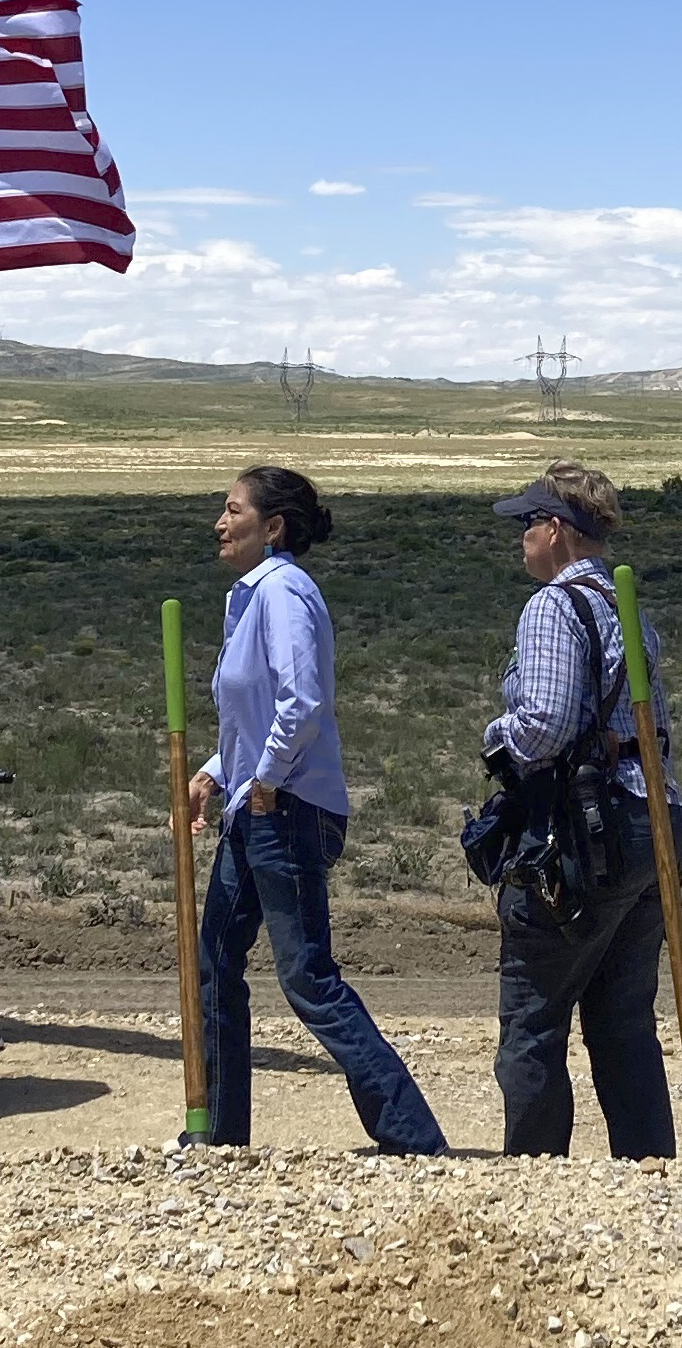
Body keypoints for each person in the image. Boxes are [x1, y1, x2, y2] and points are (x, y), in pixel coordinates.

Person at [184, 467, 444, 1155]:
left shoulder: (285, 594)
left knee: (306, 976)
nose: (219, 521)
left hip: (287, 810)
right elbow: (255, 709)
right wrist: (217, 771)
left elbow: (301, 701)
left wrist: (265, 779)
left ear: (272, 527)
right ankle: (216, 1131)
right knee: (213, 959)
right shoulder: (250, 598)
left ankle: (412, 1136)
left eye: (232, 509)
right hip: (256, 807)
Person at [484, 461, 682, 1160]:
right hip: (651, 815)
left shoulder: (552, 608)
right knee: (623, 1017)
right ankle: (648, 1169)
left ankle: (536, 1178)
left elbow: (540, 726)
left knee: (533, 1015)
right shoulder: (623, 604)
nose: (520, 540)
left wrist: (494, 737)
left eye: (527, 524)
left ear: (557, 530)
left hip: (584, 833)